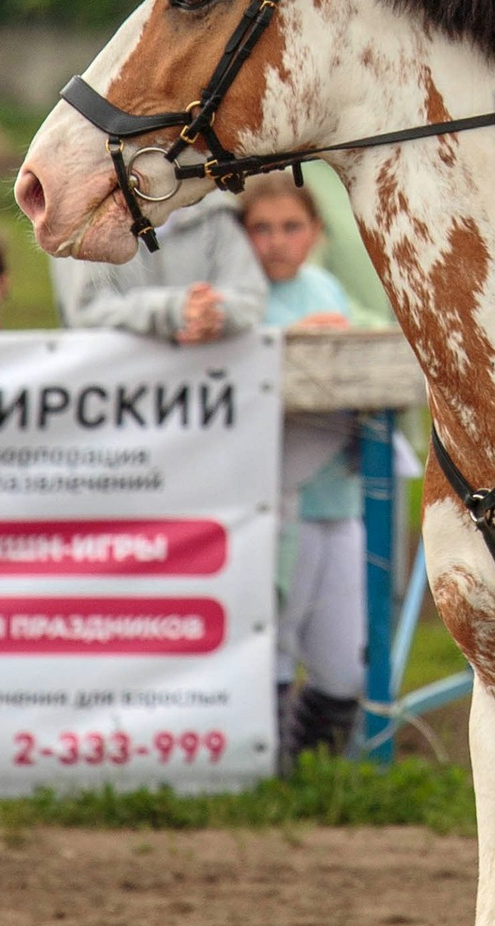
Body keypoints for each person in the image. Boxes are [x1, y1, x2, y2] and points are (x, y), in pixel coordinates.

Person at [241, 176, 368, 759]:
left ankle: (320, 770)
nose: (277, 241)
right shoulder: (240, 298)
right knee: (274, 639)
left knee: (344, 658)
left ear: (315, 232)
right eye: (261, 228)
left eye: (291, 227)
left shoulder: (326, 287)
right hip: (273, 504)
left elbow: (373, 334)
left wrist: (346, 334)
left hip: (339, 501)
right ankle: (267, 773)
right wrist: (291, 341)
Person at [48, 178, 266, 344]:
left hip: (204, 381)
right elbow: (85, 310)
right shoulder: (87, 212)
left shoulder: (215, 210)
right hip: (115, 384)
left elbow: (250, 297)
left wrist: (211, 314)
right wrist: (174, 311)